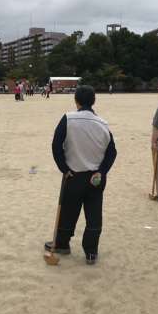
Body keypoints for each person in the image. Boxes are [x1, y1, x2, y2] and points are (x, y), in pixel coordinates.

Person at [45, 85, 117, 264]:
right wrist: (102, 171)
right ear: (93, 101)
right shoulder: (103, 123)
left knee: (68, 211)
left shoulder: (68, 118)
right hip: (95, 178)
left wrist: (64, 168)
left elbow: (56, 145)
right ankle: (91, 252)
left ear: (76, 100)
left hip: (74, 175)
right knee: (94, 213)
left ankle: (62, 244)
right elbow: (112, 152)